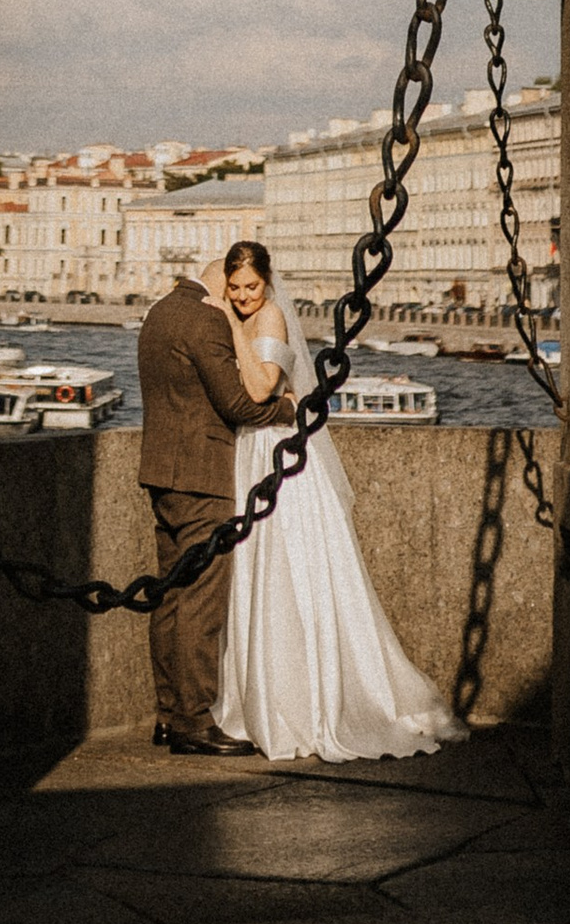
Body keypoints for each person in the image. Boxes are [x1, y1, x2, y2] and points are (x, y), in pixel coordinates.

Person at [209, 241, 460, 765]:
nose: (242, 297)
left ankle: (303, 703)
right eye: (233, 289)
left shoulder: (271, 319)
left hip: (279, 458)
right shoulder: (253, 311)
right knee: (262, 573)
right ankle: (268, 698)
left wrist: (231, 327)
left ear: (268, 283)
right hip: (255, 451)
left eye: (250, 287)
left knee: (287, 572)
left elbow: (260, 390)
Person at [135, 253, 294, 757]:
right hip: (201, 476)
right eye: (234, 287)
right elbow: (241, 405)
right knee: (200, 601)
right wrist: (290, 407)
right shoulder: (206, 319)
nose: (240, 297)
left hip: (161, 472)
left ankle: (166, 713)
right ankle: (194, 721)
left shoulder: (158, 312)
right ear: (220, 284)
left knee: (170, 596)